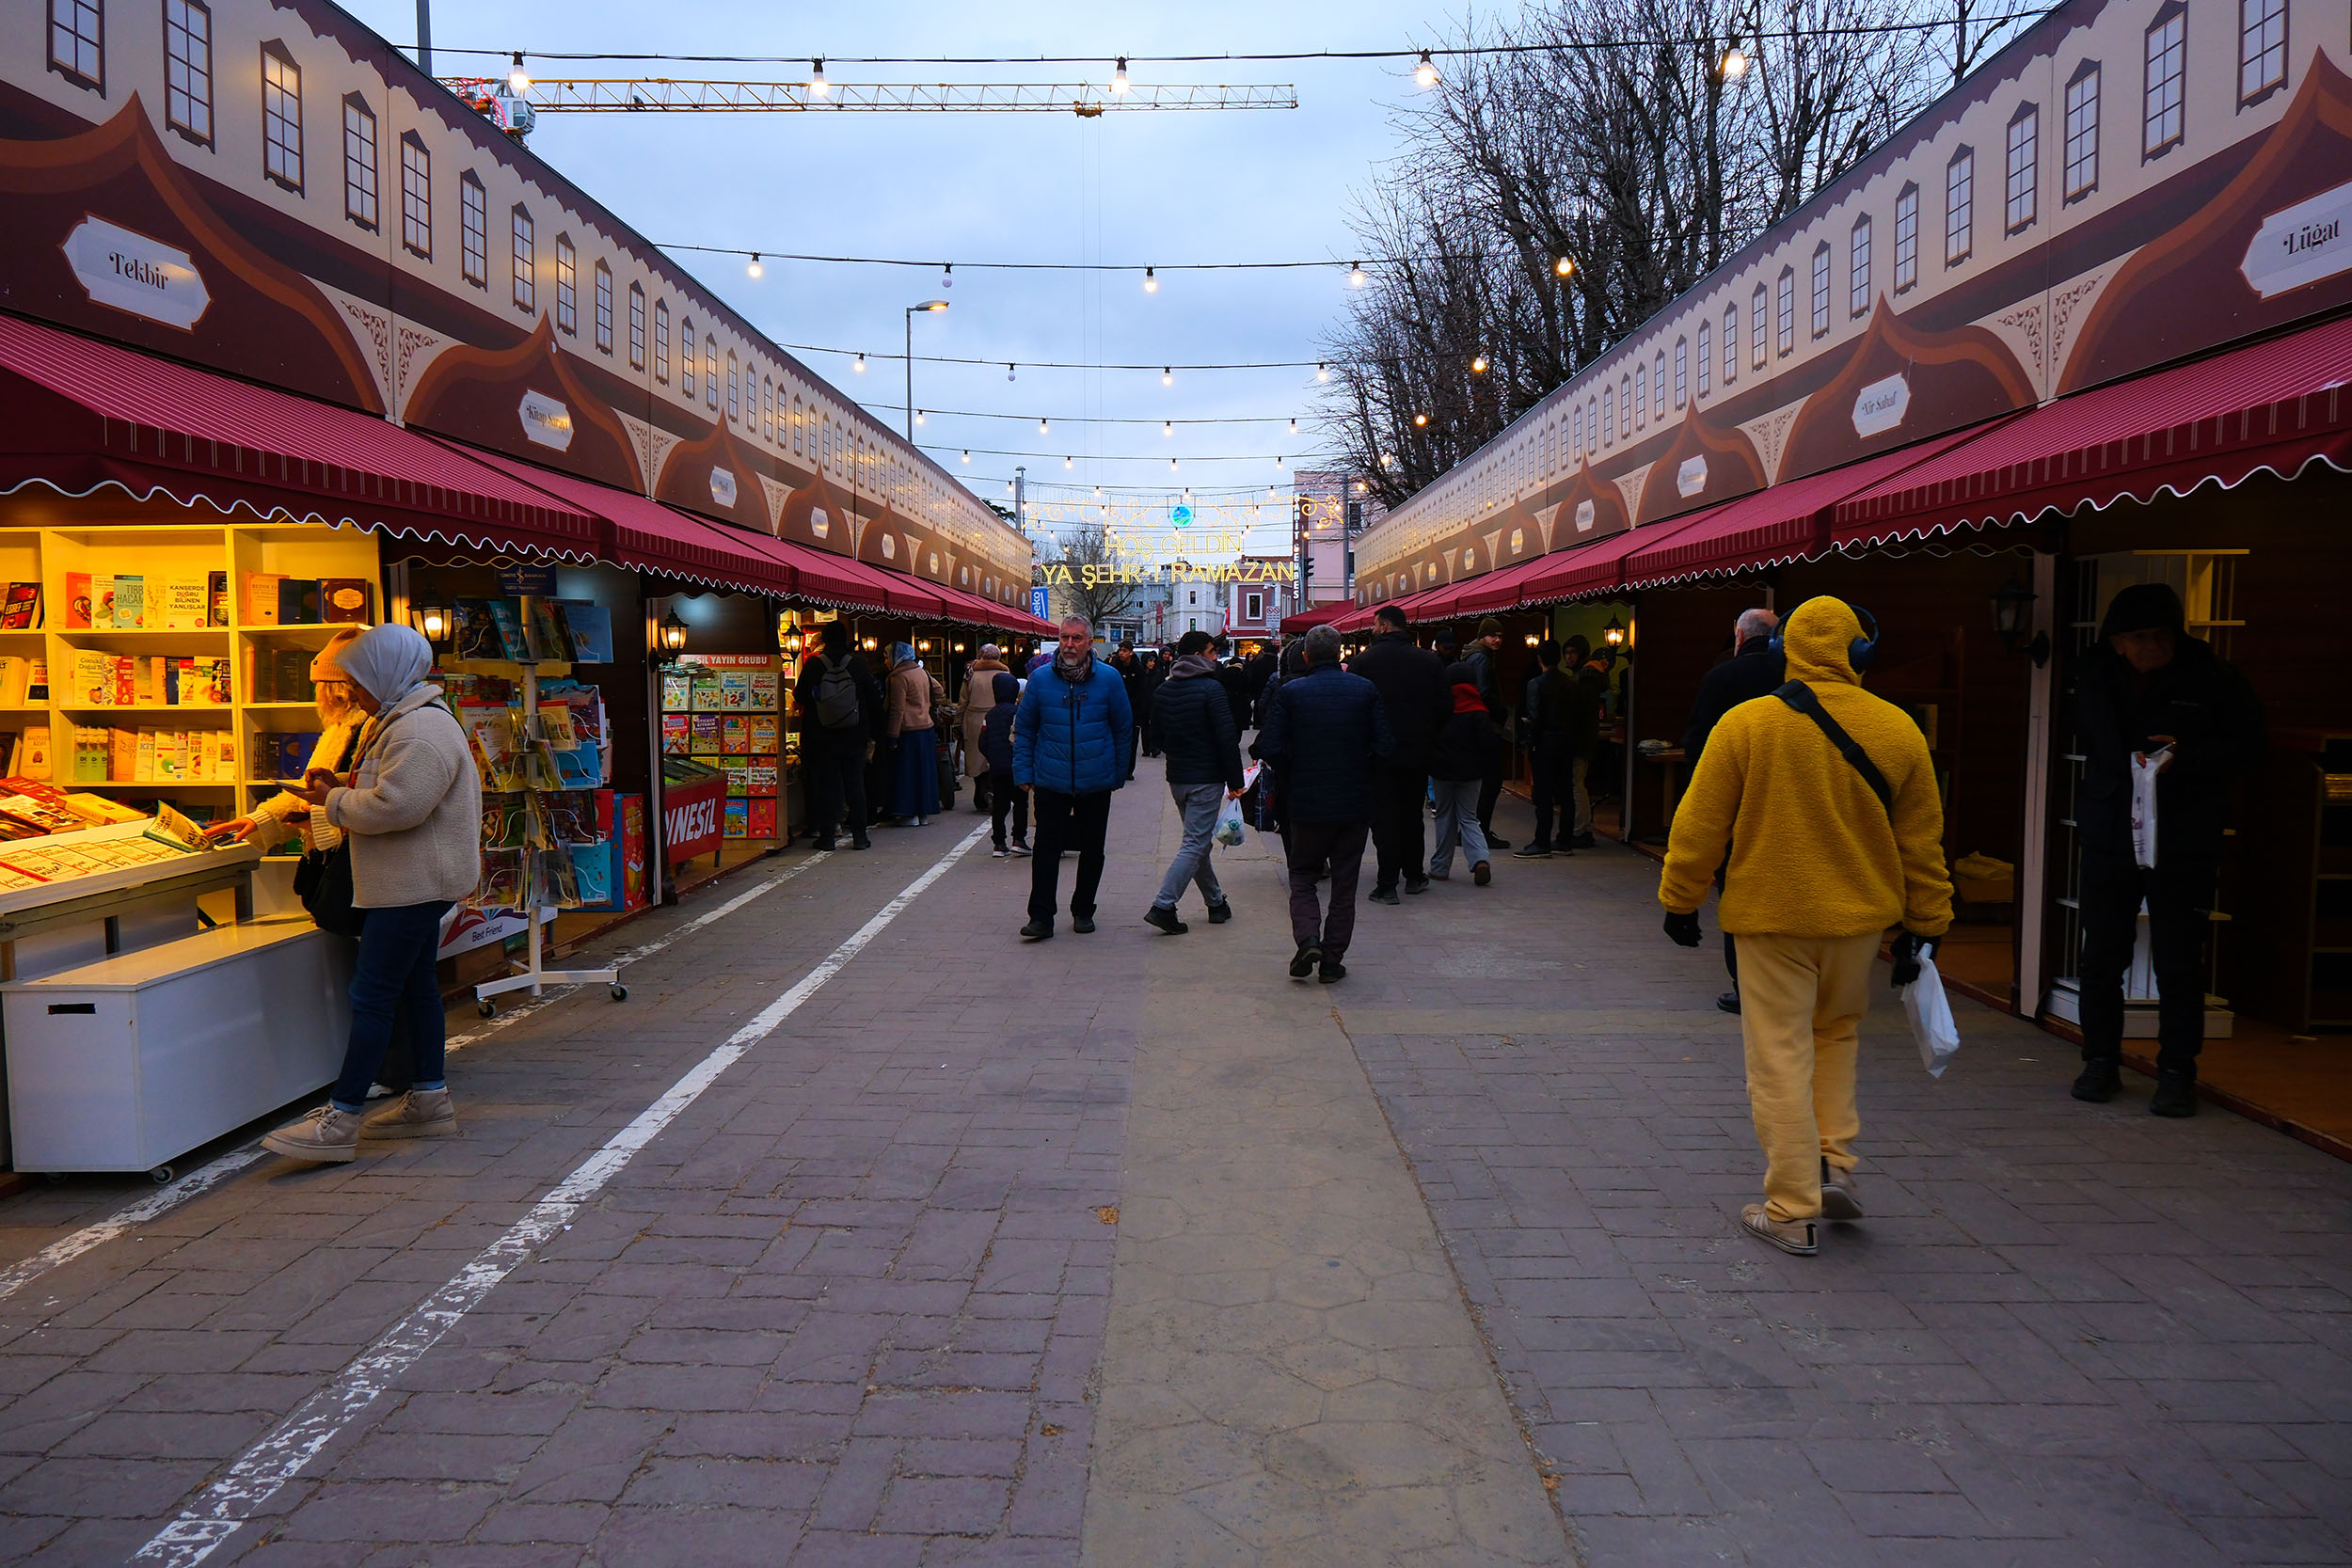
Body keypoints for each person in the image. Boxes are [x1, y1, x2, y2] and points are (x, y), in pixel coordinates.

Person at [1658, 596, 1952, 1257]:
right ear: (1860, 653)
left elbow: (1699, 824)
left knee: (1779, 1052)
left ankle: (1791, 1205)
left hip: (1770, 919)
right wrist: (1929, 922)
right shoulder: (1900, 729)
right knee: (1836, 1036)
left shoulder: (1748, 723)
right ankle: (1834, 1163)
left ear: (1781, 649)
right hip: (1857, 924)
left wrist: (1681, 899)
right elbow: (1923, 843)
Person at [260, 624, 482, 1164]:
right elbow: (395, 796)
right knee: (415, 987)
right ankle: (429, 1098)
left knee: (373, 996)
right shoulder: (409, 721)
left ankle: (341, 1117)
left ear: (386, 674)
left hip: (408, 885)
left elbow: (397, 808)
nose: (352, 693)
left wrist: (333, 801)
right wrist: (338, 789)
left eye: (358, 681)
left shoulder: (417, 731)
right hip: (414, 882)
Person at [2070, 582, 2264, 1117]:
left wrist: (2189, 756)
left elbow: (2249, 745)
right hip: (2111, 831)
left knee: (2179, 957)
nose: (2152, 645)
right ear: (2116, 642)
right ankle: (2100, 1060)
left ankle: (2177, 1070)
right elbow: (2087, 738)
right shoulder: (2093, 675)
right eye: (2138, 636)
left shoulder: (2213, 678)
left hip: (2183, 835)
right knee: (2101, 954)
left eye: (2161, 635)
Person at [1257, 624, 1393, 982]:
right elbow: (1385, 746)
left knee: (1302, 876)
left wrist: (1292, 770)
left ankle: (1308, 939)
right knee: (1345, 883)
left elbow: (1268, 745)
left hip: (1306, 800)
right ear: (1340, 654)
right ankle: (1332, 959)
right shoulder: (1365, 690)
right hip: (1353, 801)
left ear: (1305, 657)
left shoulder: (1292, 692)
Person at [1680, 608, 1787, 1013]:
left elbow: (1697, 744)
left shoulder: (1721, 677)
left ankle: (1746, 987)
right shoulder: (1793, 678)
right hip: (1786, 805)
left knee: (1737, 893)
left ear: (1740, 637)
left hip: (1736, 807)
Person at [1013, 617, 1133, 940]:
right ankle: (1040, 917)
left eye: (1077, 638)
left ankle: (1083, 909)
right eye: (1065, 637)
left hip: (1096, 779)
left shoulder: (1109, 679)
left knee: (1092, 849)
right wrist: (1024, 771)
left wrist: (1118, 772)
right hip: (1051, 778)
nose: (1069, 644)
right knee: (1046, 849)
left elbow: (1124, 728)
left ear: (1089, 643)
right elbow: (1024, 729)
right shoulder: (1040, 680)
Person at [1144, 630, 1245, 935]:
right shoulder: (1211, 690)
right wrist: (1235, 782)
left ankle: (1216, 902)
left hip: (1178, 778)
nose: (1216, 657)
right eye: (1213, 651)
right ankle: (1163, 905)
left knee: (1197, 842)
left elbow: (1155, 736)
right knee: (1194, 843)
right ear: (1200, 654)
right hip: (1206, 778)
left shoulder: (1164, 690)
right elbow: (1227, 737)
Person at [1347, 606, 1446, 901]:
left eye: (1376, 624)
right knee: (1412, 814)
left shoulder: (1364, 661)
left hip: (1378, 754)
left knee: (1385, 817)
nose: (1374, 629)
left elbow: (1352, 708)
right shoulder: (1429, 662)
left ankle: (1387, 882)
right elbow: (1445, 706)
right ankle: (1414, 875)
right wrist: (1427, 734)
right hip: (1417, 751)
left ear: (1386, 626)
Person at [795, 621, 883, 851]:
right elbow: (873, 700)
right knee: (855, 784)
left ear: (824, 639)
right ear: (845, 639)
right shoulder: (858, 665)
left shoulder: (814, 664)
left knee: (827, 785)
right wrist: (875, 733)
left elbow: (800, 695)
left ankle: (827, 836)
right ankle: (860, 836)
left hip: (820, 737)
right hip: (854, 735)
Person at [1429, 657, 1496, 886]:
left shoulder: (1441, 709)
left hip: (1442, 772)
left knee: (1444, 815)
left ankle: (1440, 867)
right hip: (1471, 773)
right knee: (1469, 817)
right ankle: (1480, 860)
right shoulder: (1479, 710)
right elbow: (1488, 745)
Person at [1515, 641, 1576, 860]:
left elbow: (1535, 717)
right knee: (1565, 791)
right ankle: (1564, 839)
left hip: (1544, 743)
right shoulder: (1570, 682)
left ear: (1539, 659)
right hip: (1566, 742)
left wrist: (1527, 742)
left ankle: (1541, 841)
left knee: (1543, 793)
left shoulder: (1536, 684)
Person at [1461, 617, 1512, 849]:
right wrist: (1501, 711)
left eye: (1500, 636)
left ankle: (1472, 830)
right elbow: (1483, 691)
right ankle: (1480, 830)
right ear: (1483, 637)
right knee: (1492, 780)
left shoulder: (1474, 654)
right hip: (1486, 725)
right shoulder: (1481, 657)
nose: (1498, 640)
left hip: (1474, 726)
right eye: (1493, 635)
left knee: (1480, 781)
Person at [882, 642, 939, 826]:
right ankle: (923, 814)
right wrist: (925, 703)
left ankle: (909, 814)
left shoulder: (899, 677)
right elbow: (938, 689)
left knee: (907, 774)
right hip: (926, 728)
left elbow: (896, 708)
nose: (885, 661)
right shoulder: (921, 672)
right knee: (923, 772)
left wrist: (892, 734)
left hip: (908, 730)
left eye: (886, 656)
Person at [978, 670, 1030, 857]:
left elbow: (982, 742)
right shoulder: (1018, 712)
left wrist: (993, 756)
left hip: (997, 767)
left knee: (1000, 805)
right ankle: (1019, 839)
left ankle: (999, 843)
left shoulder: (990, 715)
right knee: (1020, 803)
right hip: (1017, 765)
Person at [960, 643, 1009, 813]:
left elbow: (963, 701)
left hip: (975, 719)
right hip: (999, 719)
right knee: (995, 756)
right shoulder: (1005, 673)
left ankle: (980, 794)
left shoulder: (970, 674)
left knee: (977, 757)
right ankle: (993, 792)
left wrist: (958, 722)